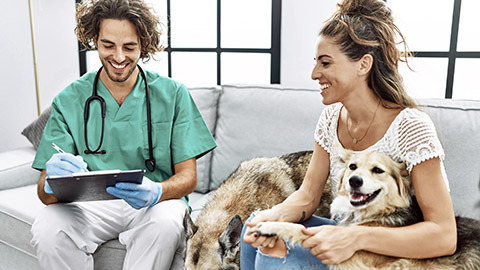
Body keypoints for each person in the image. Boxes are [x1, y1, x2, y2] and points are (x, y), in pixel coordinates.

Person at [240, 0, 457, 269]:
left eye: (326, 63)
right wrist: (270, 218)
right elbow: (308, 195)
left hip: (394, 250)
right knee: (254, 229)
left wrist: (353, 238)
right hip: (348, 230)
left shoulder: (411, 127)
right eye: (316, 63)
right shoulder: (331, 118)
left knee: (274, 259)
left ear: (363, 64)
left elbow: (445, 235)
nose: (314, 74)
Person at [30, 0, 216, 269]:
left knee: (165, 224)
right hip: (91, 205)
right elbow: (45, 194)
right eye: (108, 45)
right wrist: (50, 183)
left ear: (144, 43)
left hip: (154, 202)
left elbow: (188, 178)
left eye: (129, 47)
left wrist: (157, 190)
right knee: (48, 227)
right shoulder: (69, 99)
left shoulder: (173, 94)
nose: (118, 57)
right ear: (94, 40)